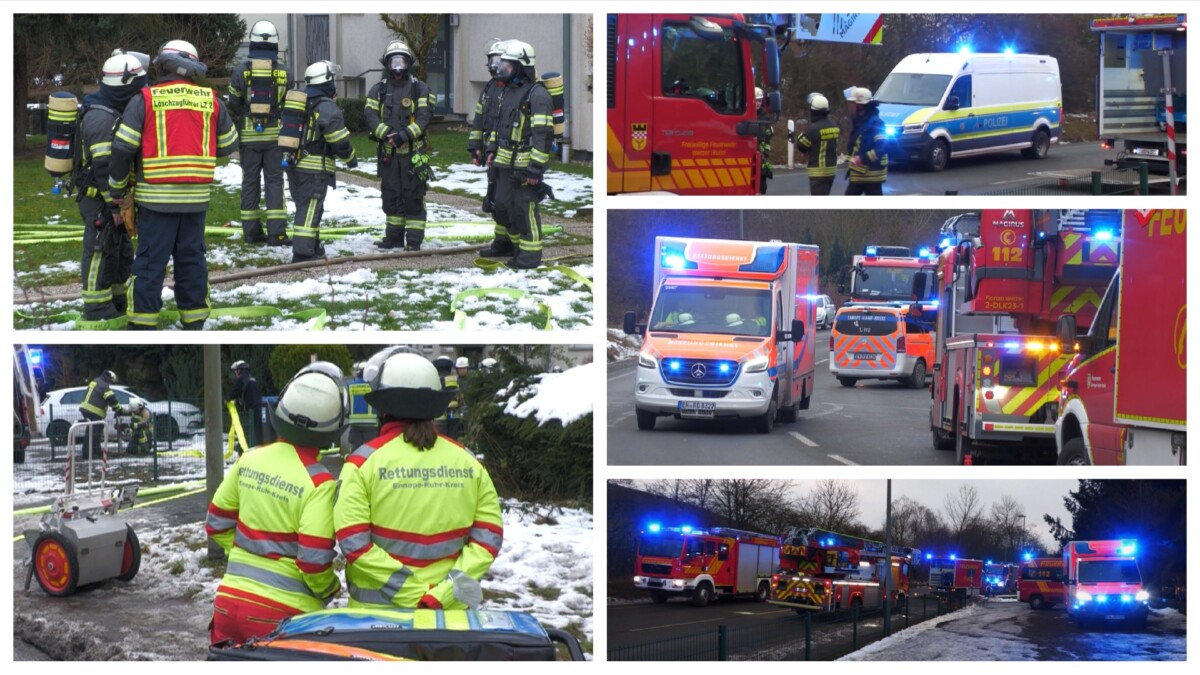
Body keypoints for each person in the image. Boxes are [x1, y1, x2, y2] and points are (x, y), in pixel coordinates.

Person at [334, 350, 502, 609]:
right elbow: (488, 536)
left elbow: (353, 542)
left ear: (382, 409)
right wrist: (443, 593)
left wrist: (412, 593)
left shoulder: (361, 463)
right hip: (450, 618)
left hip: (377, 620)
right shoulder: (468, 461)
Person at [206, 362, 346, 645]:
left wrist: (246, 556)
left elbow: (216, 524)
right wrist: (331, 589)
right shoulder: (319, 483)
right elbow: (314, 562)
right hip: (284, 620)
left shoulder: (251, 458)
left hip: (228, 605)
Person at [109, 40, 238, 330]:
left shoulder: (146, 99)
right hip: (196, 202)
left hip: (155, 202)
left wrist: (117, 190)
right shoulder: (211, 100)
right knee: (192, 262)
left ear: (161, 64)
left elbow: (122, 149)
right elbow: (230, 144)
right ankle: (194, 322)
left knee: (150, 264)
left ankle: (142, 325)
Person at [76, 52, 147, 322]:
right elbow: (104, 169)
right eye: (137, 86)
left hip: (112, 198)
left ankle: (116, 300)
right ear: (125, 86)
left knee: (120, 249)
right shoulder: (101, 119)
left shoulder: (112, 109)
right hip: (100, 198)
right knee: (98, 250)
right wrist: (116, 205)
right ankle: (96, 307)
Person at [477, 41, 555, 269]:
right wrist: (491, 149)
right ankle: (513, 247)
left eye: (509, 66)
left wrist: (535, 169)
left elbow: (543, 135)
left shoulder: (537, 94)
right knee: (501, 206)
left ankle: (529, 256)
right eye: (503, 65)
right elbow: (498, 126)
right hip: (503, 160)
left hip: (525, 164)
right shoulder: (507, 91)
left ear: (523, 66)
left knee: (523, 208)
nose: (503, 70)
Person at [365, 40, 434, 251]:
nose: (397, 66)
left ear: (408, 63)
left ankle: (413, 241)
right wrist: (385, 134)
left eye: (401, 61)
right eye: (393, 61)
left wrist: (404, 136)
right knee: (391, 194)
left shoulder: (419, 88)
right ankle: (393, 238)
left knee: (413, 195)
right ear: (387, 63)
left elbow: (424, 118)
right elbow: (369, 115)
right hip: (388, 155)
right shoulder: (378, 89)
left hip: (413, 154)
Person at [227, 21, 292, 246]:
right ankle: (277, 234)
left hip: (248, 137)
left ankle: (252, 233)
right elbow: (289, 105)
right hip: (275, 138)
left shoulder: (240, 72)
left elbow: (234, 103)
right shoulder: (285, 73)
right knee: (275, 183)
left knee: (250, 183)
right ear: (275, 44)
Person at [290, 60, 357, 263]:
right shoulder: (327, 107)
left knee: (308, 208)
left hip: (295, 166)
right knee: (310, 208)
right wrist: (351, 158)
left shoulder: (300, 101)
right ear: (326, 82)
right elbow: (338, 140)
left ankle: (312, 247)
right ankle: (302, 254)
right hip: (314, 168)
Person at [469, 39, 509, 218]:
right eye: (492, 61)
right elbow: (479, 120)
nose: (494, 66)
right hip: (490, 151)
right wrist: (475, 147)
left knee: (506, 195)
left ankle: (510, 239)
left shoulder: (512, 89)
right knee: (493, 192)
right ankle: (501, 241)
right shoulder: (489, 88)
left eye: (498, 61)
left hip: (507, 152)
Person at [843, 86, 888, 196]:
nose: (851, 106)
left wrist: (862, 159)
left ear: (860, 106)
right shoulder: (860, 121)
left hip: (871, 174)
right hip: (860, 173)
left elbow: (882, 146)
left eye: (853, 103)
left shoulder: (875, 123)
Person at [796, 93, 839, 196]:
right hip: (831, 170)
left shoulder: (814, 129)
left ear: (813, 111)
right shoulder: (834, 126)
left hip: (818, 172)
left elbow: (801, 144)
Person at [79, 370, 126, 460]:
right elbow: (111, 398)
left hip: (87, 409)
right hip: (93, 411)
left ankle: (93, 452)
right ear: (108, 378)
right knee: (94, 434)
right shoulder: (103, 385)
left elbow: (103, 397)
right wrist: (118, 408)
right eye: (111, 382)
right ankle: (90, 454)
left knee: (92, 433)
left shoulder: (96, 381)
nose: (110, 384)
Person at [225, 360, 262, 451]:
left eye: (235, 371)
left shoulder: (242, 380)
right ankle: (255, 446)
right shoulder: (252, 379)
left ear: (239, 371)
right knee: (256, 430)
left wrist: (226, 399)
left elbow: (234, 392)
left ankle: (246, 448)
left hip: (251, 410)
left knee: (248, 430)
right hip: (259, 407)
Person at [755, 87, 774, 194]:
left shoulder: (765, 118)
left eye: (759, 101)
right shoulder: (746, 114)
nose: (758, 103)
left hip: (761, 157)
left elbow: (768, 137)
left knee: (762, 187)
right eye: (756, 100)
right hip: (749, 154)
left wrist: (765, 153)